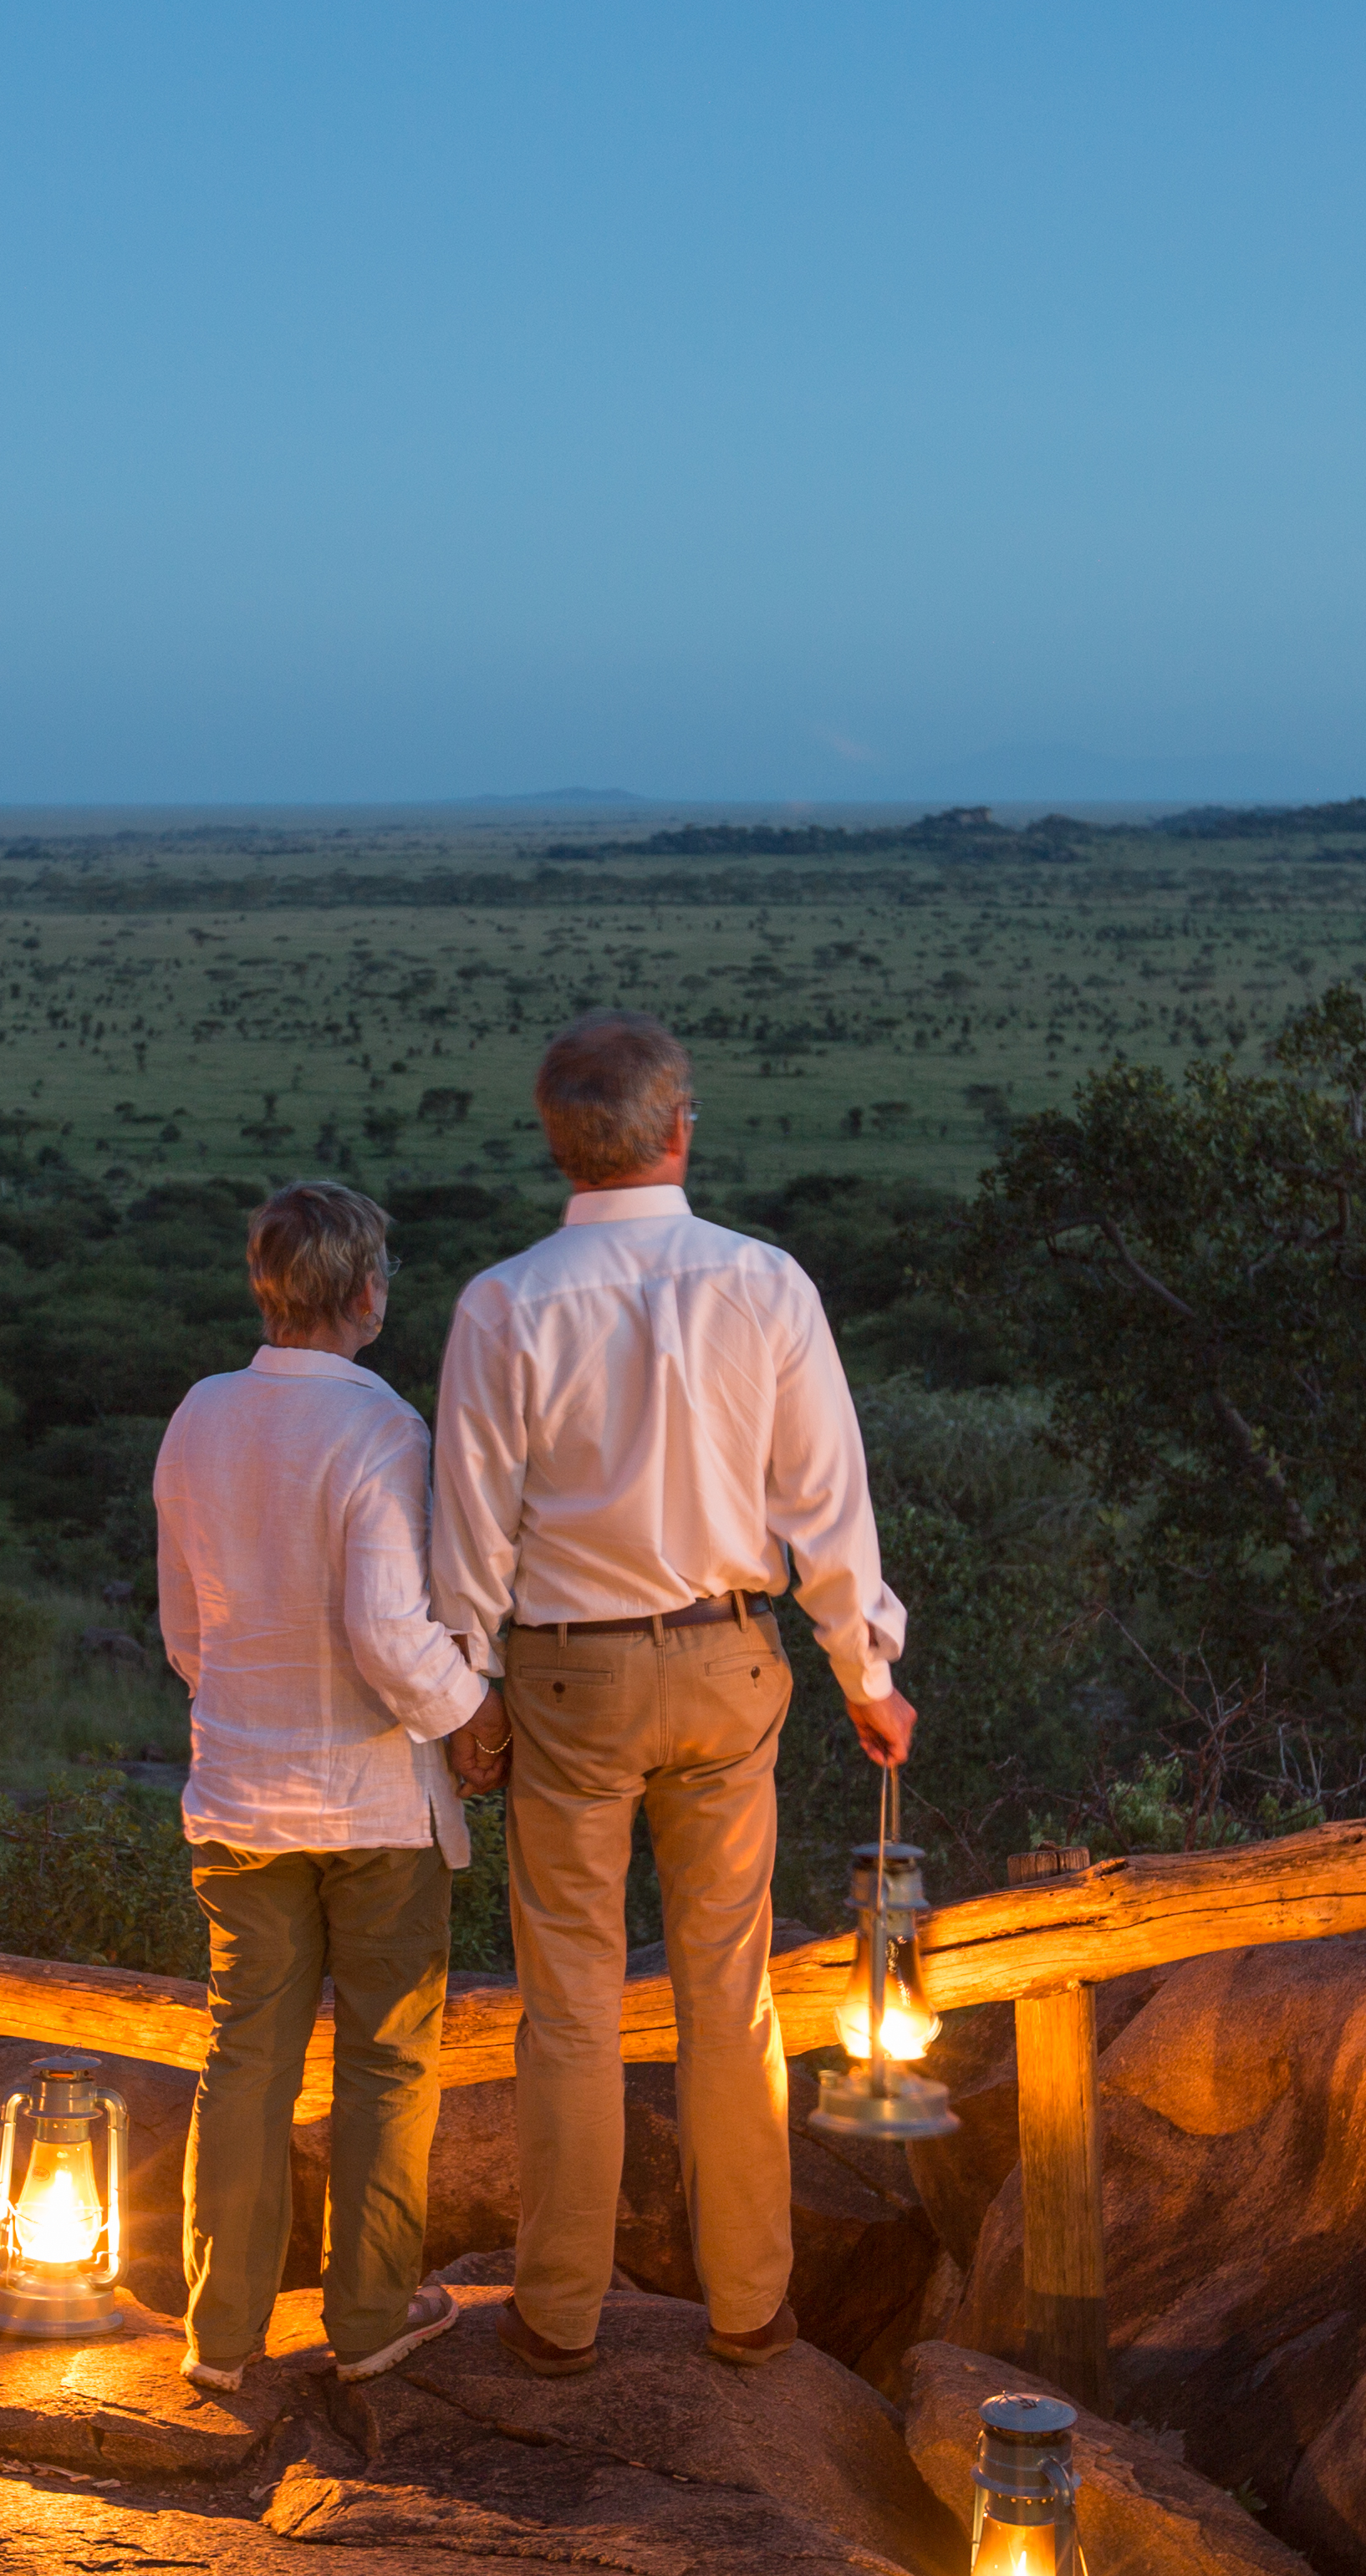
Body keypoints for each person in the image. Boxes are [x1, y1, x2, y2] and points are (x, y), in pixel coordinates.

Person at [426, 1011, 910, 2378]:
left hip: (567, 1676)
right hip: (727, 1660)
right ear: (679, 1130)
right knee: (730, 1988)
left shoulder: (504, 1303)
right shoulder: (765, 1284)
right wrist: (864, 1672)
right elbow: (828, 1506)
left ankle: (559, 2314)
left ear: (556, 1141)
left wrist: (471, 1693)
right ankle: (751, 2306)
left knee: (571, 2004)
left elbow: (470, 1533)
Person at [150, 1179, 483, 2410]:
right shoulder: (384, 1431)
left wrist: (251, 1702)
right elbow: (393, 1636)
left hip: (238, 1788)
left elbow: (188, 1630)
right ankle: (369, 2316)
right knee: (389, 2060)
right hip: (371, 1801)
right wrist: (475, 1712)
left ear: (266, 1285)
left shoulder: (199, 1416)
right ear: (366, 1295)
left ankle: (223, 2331)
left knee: (247, 2055)